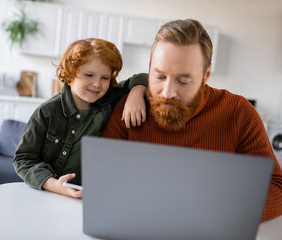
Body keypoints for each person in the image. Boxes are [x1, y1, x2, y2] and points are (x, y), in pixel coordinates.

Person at [101, 19, 282, 222]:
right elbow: (102, 178)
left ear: (206, 75)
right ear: (149, 69)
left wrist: (225, 211)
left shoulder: (238, 113)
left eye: (183, 81)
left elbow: (276, 185)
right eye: (159, 77)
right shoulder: (129, 109)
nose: (167, 93)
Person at [13, 38, 147, 198]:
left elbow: (143, 77)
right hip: (52, 192)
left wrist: (136, 93)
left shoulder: (109, 98)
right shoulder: (47, 112)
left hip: (91, 193)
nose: (97, 84)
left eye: (105, 77)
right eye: (89, 75)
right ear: (70, 74)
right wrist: (54, 185)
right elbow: (23, 159)